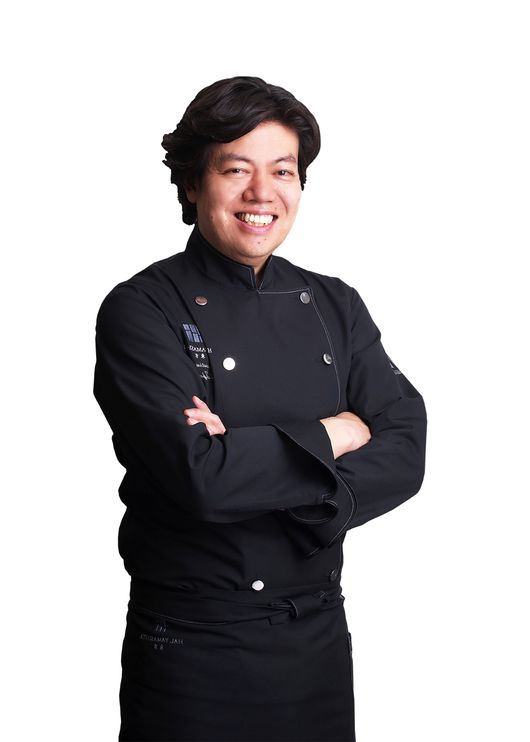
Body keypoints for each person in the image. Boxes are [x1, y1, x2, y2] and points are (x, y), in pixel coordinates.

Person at [93, 75, 428, 742]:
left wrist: (259, 463)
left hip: (317, 642)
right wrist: (336, 431)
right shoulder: (141, 309)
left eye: (282, 170)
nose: (262, 193)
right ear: (193, 183)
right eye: (235, 169)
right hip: (195, 646)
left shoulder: (335, 304)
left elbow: (406, 448)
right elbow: (202, 478)